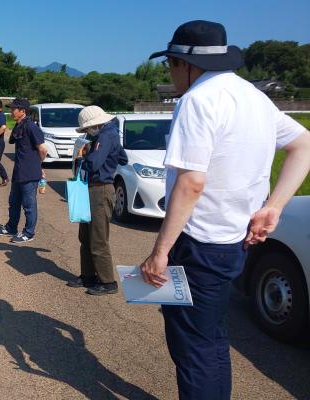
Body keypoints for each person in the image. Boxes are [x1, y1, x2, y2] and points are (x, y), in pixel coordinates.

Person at [141, 20, 310, 399]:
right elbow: (305, 143)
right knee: (211, 337)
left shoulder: (197, 100)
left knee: (193, 346)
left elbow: (191, 182)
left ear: (186, 64)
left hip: (199, 240)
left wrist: (160, 252)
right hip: (234, 239)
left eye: (171, 64)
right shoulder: (252, 95)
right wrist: (274, 207)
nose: (171, 73)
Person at [67, 105, 127, 295]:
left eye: (87, 128)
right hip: (92, 188)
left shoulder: (105, 135)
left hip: (100, 189)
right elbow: (123, 158)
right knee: (85, 235)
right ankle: (88, 275)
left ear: (95, 124)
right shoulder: (108, 135)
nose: (86, 132)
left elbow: (93, 163)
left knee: (98, 238)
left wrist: (82, 156)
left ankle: (107, 281)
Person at [0, 98, 48, 243]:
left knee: (29, 205)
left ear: (22, 111)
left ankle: (29, 233)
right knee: (14, 201)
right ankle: (11, 227)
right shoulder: (19, 125)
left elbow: (43, 149)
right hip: (19, 171)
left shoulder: (31, 126)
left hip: (29, 172)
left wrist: (38, 164)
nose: (11, 111)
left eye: (14, 109)